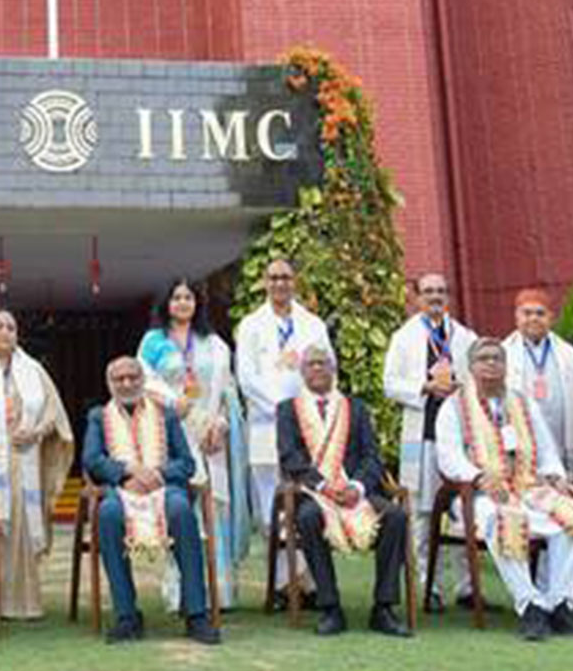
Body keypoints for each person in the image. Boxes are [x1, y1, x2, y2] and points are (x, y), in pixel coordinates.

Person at [437, 337, 573, 641]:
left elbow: (546, 449)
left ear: (506, 366)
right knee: (503, 518)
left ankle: (560, 604)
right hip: (481, 494)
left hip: (527, 487)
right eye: (483, 358)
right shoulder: (454, 407)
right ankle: (530, 605)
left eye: (497, 358)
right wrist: (479, 477)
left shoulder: (522, 403)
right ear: (470, 367)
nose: (491, 364)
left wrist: (557, 478)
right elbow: (448, 457)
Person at [83, 356, 220, 645]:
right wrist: (128, 471)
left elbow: (186, 463)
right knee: (108, 514)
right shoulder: (99, 416)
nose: (127, 383)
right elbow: (92, 460)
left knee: (181, 510)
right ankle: (127, 616)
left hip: (164, 490)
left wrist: (157, 474)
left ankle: (196, 614)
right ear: (109, 384)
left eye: (133, 377)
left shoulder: (165, 414)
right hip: (122, 490)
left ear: (143, 380)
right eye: (119, 379)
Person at [275, 347, 410, 638]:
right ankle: (330, 608)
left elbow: (372, 456)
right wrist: (323, 486)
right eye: (311, 364)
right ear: (302, 372)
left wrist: (356, 487)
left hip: (356, 493)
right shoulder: (288, 410)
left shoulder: (355, 407)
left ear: (333, 369)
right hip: (314, 493)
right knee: (309, 518)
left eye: (323, 363)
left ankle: (383, 608)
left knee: (396, 517)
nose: (317, 368)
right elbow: (290, 458)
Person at [0, 307, 74, 620]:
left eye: (11, 327)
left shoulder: (32, 369)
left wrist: (35, 432)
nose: (5, 332)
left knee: (20, 531)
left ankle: (20, 602)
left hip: (24, 459)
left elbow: (54, 412)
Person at [138, 276, 248, 609]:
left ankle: (220, 591)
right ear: (166, 304)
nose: (183, 303)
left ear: (197, 303)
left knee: (214, 508)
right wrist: (174, 401)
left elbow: (229, 391)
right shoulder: (153, 341)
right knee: (181, 509)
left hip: (209, 436)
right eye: (176, 297)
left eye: (188, 297)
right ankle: (182, 593)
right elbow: (143, 381)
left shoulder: (214, 344)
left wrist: (221, 425)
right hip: (172, 435)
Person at [234, 257, 330, 593]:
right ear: (264, 282)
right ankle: (282, 585)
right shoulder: (250, 325)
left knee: (308, 500)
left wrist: (304, 410)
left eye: (285, 277)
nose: (279, 283)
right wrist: (281, 409)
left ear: (295, 281)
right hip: (266, 424)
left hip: (308, 426)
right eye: (273, 277)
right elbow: (246, 377)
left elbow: (326, 369)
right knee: (270, 507)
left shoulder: (313, 325)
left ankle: (310, 584)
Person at [383, 270, 477, 610]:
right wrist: (425, 387)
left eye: (440, 291)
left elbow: (479, 379)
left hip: (460, 437)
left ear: (447, 296)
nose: (435, 296)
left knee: (463, 507)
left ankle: (467, 587)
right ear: (417, 297)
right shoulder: (403, 337)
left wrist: (459, 387)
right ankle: (428, 586)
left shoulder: (465, 337)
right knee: (422, 512)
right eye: (428, 291)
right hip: (421, 434)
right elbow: (389, 384)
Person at [500, 289, 573, 480]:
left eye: (540, 313)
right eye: (527, 313)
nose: (534, 318)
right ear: (516, 317)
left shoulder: (569, 354)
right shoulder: (503, 353)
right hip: (523, 440)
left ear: (551, 318)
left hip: (564, 438)